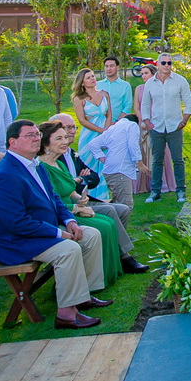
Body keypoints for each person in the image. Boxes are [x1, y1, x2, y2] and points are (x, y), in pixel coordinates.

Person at [0, 119, 111, 329]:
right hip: (13, 241)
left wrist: (70, 221)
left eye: (37, 134)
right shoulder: (4, 174)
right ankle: (66, 314)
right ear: (12, 142)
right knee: (68, 248)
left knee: (89, 235)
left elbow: (53, 199)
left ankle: (83, 296)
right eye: (30, 135)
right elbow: (15, 223)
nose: (36, 138)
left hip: (38, 232)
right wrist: (58, 233)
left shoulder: (36, 165)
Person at [53, 115, 147, 273]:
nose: (71, 132)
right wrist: (78, 180)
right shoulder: (54, 159)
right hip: (70, 206)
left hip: (82, 199)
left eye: (73, 127)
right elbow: (62, 187)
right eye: (66, 128)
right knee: (112, 209)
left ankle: (114, 250)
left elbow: (93, 178)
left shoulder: (71, 154)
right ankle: (123, 256)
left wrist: (81, 179)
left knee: (122, 208)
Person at [36, 122, 121, 287]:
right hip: (62, 214)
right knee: (102, 226)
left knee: (109, 223)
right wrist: (78, 208)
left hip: (73, 207)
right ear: (45, 143)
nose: (65, 142)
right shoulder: (42, 168)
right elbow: (51, 201)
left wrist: (78, 198)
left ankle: (108, 275)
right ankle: (90, 282)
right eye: (59, 138)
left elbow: (69, 191)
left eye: (65, 137)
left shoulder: (59, 163)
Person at [140, 53, 191, 204]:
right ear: (157, 64)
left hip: (174, 126)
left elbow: (188, 102)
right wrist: (147, 121)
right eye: (163, 63)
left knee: (177, 159)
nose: (166, 65)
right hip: (156, 126)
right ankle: (155, 192)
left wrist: (184, 120)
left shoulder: (180, 81)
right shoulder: (150, 83)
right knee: (157, 159)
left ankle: (180, 191)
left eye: (169, 63)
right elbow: (145, 103)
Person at [84, 113, 150, 210]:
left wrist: (104, 160)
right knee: (125, 206)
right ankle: (120, 225)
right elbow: (133, 145)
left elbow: (93, 144)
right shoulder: (132, 125)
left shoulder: (112, 129)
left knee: (117, 205)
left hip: (109, 172)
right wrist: (139, 163)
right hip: (120, 172)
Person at [70, 68, 112, 202]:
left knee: (103, 164)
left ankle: (103, 197)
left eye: (93, 76)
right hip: (89, 134)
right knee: (89, 165)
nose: (92, 79)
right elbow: (82, 120)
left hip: (105, 133)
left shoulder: (104, 94)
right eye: (88, 78)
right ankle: (88, 197)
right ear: (82, 82)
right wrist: (100, 130)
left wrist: (106, 129)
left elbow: (108, 113)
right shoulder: (79, 99)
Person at [133, 65, 175, 194]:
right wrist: (143, 120)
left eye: (146, 73)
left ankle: (161, 183)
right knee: (142, 152)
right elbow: (136, 108)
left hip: (157, 124)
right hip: (143, 125)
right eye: (142, 74)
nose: (143, 76)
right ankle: (144, 184)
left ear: (153, 74)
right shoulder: (138, 89)